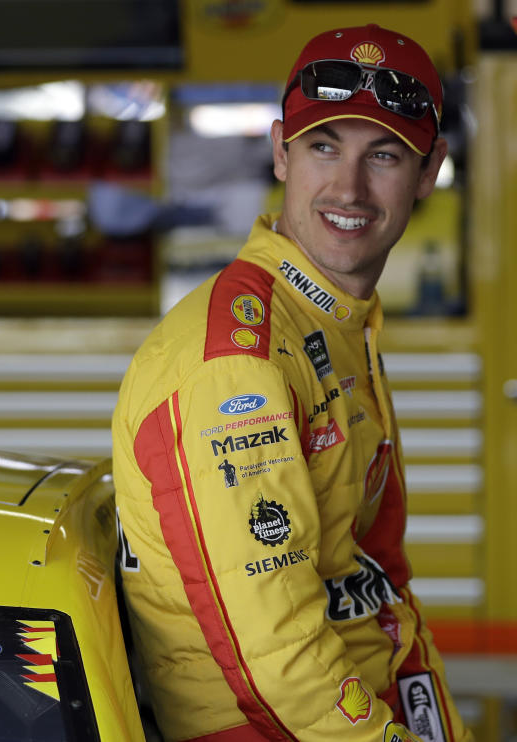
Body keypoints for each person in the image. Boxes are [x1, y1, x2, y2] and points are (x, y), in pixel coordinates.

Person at [112, 23, 472, 742]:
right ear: (281, 152)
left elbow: (379, 583)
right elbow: (271, 655)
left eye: (385, 156)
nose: (349, 188)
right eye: (323, 148)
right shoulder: (238, 361)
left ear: (429, 174)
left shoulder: (337, 324)